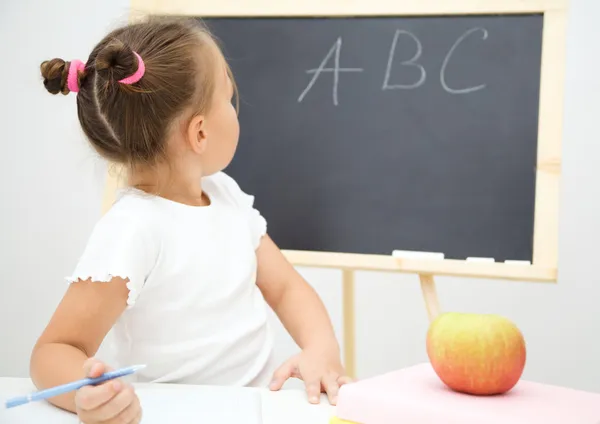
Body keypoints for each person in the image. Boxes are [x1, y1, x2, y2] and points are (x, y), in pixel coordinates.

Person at [31, 16, 350, 424]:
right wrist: (87, 394)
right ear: (200, 133)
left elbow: (286, 288)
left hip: (251, 410)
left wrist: (321, 348)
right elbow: (54, 350)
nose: (237, 112)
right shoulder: (133, 229)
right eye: (229, 99)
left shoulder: (226, 196)